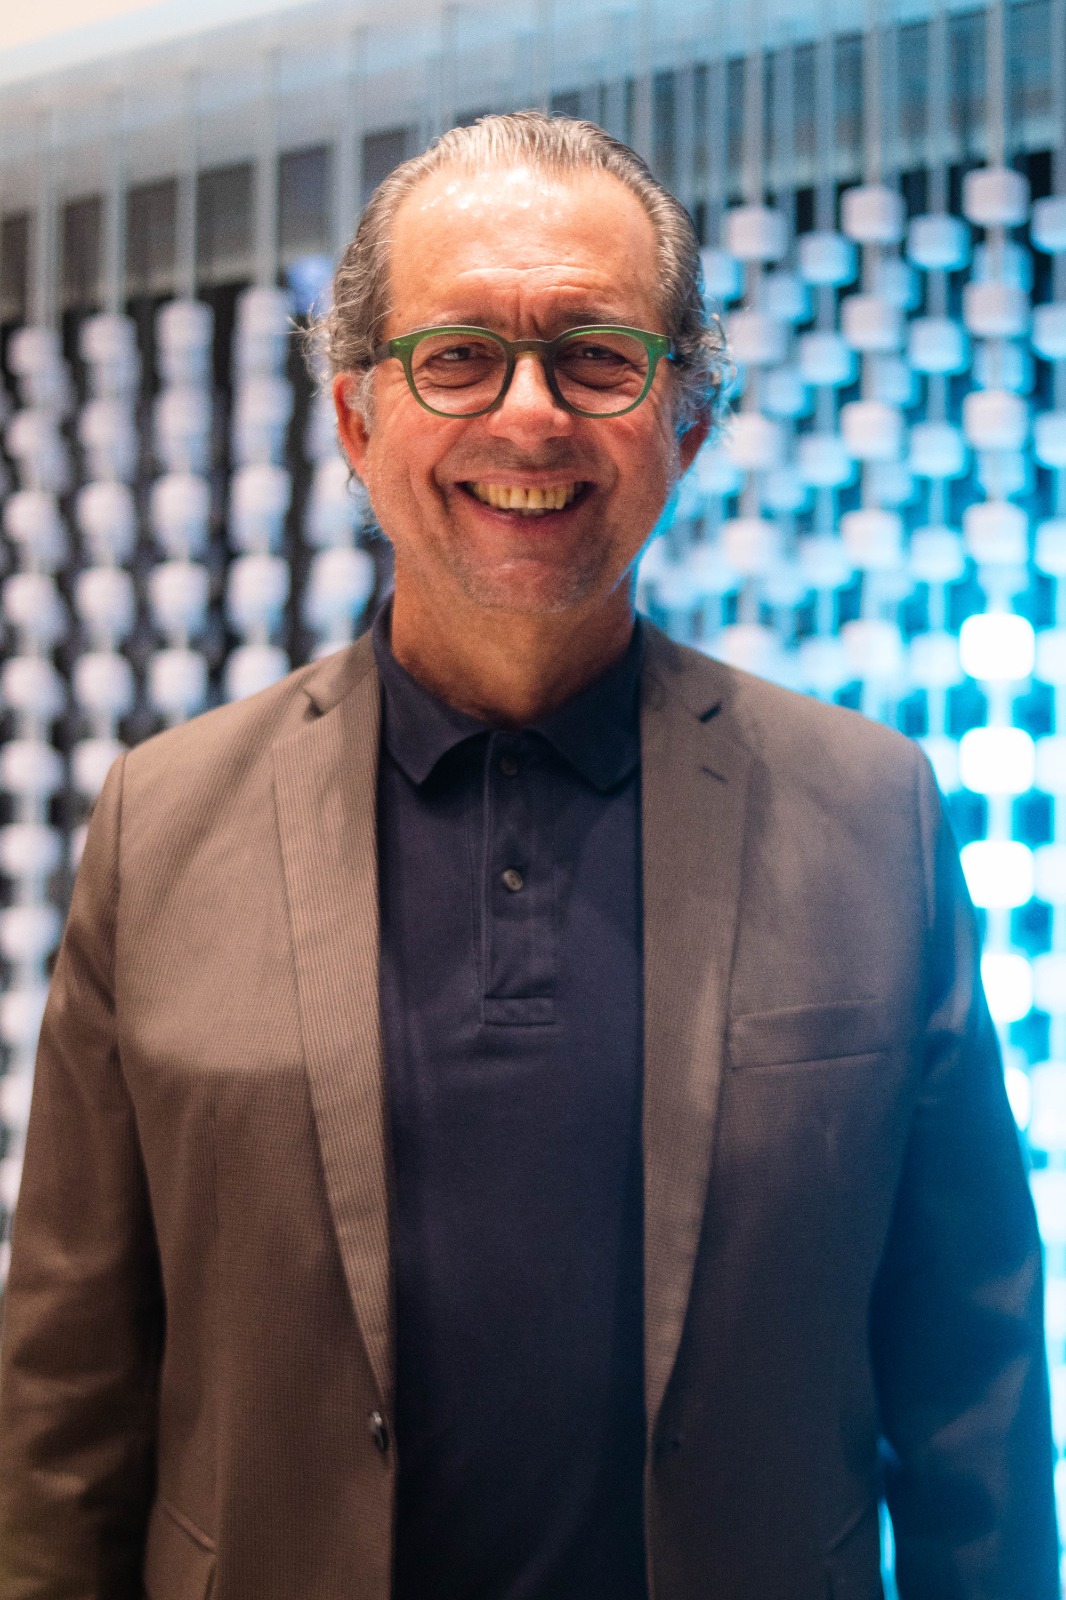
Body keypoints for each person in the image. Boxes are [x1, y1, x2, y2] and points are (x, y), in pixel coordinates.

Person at [0, 111, 1057, 1600]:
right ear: (356, 420)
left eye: (596, 358)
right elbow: (65, 1408)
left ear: (686, 422)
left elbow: (970, 1389)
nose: (529, 414)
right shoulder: (161, 824)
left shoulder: (867, 809)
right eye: (457, 357)